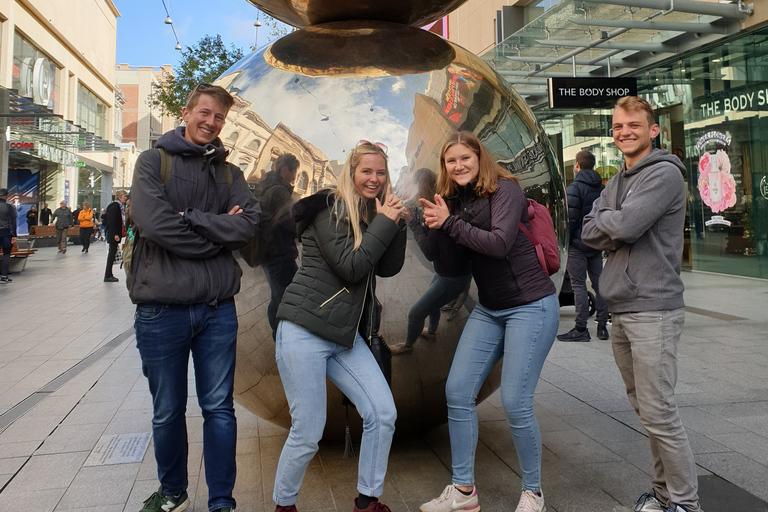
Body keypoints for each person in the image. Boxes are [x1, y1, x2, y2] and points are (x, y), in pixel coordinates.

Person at [130, 83, 259, 512]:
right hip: (161, 311)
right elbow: (154, 225)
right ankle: (173, 493)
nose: (211, 122)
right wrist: (215, 234)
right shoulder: (153, 162)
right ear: (186, 113)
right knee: (167, 410)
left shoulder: (230, 173)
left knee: (219, 409)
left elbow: (247, 227)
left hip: (216, 311)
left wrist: (192, 219)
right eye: (205, 113)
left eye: (219, 117)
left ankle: (222, 501)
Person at [419, 131, 558, 512]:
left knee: (515, 401)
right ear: (444, 167)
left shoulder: (506, 190)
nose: (459, 165)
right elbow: (453, 267)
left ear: (480, 158)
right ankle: (463, 492)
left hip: (531, 304)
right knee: (458, 392)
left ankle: (534, 494)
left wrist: (450, 224)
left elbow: (498, 244)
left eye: (466, 157)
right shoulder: (454, 201)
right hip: (491, 309)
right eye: (451, 161)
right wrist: (429, 226)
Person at [273, 141, 406, 512]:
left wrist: (398, 223)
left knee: (383, 413)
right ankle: (284, 505)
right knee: (307, 432)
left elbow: (387, 267)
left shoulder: (372, 210)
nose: (374, 179)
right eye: (367, 171)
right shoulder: (329, 207)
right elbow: (351, 266)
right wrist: (385, 222)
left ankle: (367, 500)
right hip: (304, 329)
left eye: (381, 172)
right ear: (351, 172)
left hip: (344, 336)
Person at [582, 97, 700, 512]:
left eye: (633, 124)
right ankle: (665, 494)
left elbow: (626, 226)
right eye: (617, 126)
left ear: (653, 130)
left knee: (660, 412)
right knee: (646, 411)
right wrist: (614, 221)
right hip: (622, 307)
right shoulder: (615, 180)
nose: (624, 131)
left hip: (654, 307)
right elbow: (588, 232)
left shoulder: (664, 174)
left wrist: (612, 221)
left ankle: (686, 503)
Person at [389, 168, 472, 354]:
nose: (411, 190)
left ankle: (407, 346)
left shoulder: (439, 210)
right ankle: (432, 332)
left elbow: (429, 252)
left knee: (415, 313)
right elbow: (437, 240)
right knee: (432, 302)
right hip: (448, 270)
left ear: (422, 187)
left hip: (452, 277)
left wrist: (412, 222)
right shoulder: (439, 203)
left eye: (413, 185)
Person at [557, 150, 609, 342]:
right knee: (599, 284)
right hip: (595, 243)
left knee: (578, 285)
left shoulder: (574, 188)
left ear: (577, 165)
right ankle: (602, 326)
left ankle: (581, 328)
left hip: (578, 245)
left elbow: (569, 221)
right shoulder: (602, 189)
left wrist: (566, 243)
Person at [259, 152, 300, 340]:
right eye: (294, 173)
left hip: (268, 251)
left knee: (279, 295)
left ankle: (280, 335)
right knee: (288, 296)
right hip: (280, 253)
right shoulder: (279, 191)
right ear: (285, 170)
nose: (294, 177)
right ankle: (283, 338)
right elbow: (289, 222)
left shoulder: (265, 186)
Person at [103, 190, 127, 282]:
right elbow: (113, 222)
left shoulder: (115, 206)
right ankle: (108, 275)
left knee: (112, 254)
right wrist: (115, 234)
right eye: (124, 196)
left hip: (112, 233)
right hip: (113, 234)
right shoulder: (116, 207)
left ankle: (109, 274)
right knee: (111, 254)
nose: (125, 198)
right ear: (119, 197)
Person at [0, 188, 17, 283]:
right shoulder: (9, 207)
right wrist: (14, 235)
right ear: (6, 196)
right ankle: (4, 275)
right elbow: (12, 221)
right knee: (6, 254)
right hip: (6, 233)